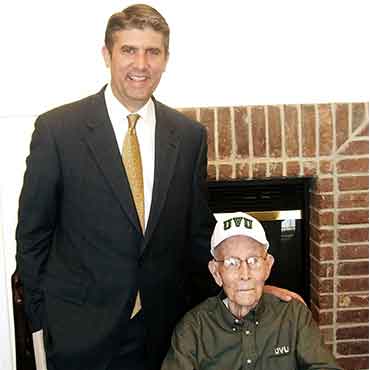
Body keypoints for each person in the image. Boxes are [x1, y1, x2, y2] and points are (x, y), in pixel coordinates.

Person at [16, 4, 300, 370]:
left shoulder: (187, 137)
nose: (141, 64)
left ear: (166, 59)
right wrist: (43, 318)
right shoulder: (58, 131)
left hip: (163, 332)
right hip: (80, 332)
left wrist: (247, 282)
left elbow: (198, 234)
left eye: (153, 52)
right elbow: (32, 235)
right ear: (107, 55)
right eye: (129, 50)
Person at [161, 212, 342, 370]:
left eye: (254, 260)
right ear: (216, 272)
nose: (244, 274)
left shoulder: (293, 314)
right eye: (232, 263)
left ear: (268, 266)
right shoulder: (193, 328)